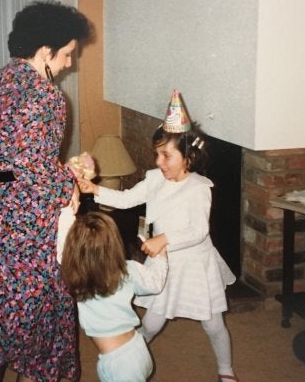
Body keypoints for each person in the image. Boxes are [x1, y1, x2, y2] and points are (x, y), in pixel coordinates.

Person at [0, 0, 92, 382]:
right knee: (40, 316)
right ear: (45, 51)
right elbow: (36, 170)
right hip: (28, 219)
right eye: (68, 54)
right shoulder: (48, 97)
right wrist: (70, 182)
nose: (69, 63)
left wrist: (59, 172)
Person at [77, 90, 239, 382]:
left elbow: (198, 230)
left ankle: (226, 371)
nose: (159, 161)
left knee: (213, 323)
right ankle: (131, 356)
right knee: (152, 321)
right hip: (164, 264)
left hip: (194, 264)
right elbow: (127, 198)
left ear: (189, 157)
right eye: (157, 154)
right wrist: (96, 190)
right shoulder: (154, 179)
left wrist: (164, 238)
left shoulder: (199, 187)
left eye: (166, 155)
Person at [60, 212, 168, 382]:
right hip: (137, 348)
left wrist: (69, 208)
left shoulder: (75, 275)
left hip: (118, 364)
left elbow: (62, 243)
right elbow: (156, 283)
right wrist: (161, 254)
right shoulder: (127, 270)